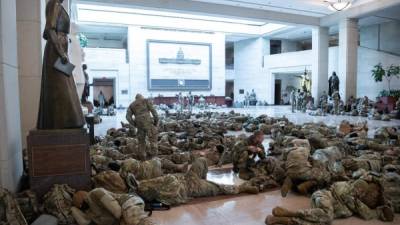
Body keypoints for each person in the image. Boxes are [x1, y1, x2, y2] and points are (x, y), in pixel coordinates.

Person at [37, 0, 85, 129]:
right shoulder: (54, 4)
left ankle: (66, 121)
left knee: (65, 87)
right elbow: (50, 29)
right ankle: (63, 122)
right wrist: (61, 52)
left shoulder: (58, 6)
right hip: (56, 51)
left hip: (59, 49)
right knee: (62, 88)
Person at [126, 94, 159, 160]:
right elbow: (154, 112)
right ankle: (154, 157)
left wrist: (134, 124)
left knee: (141, 141)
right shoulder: (146, 100)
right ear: (142, 97)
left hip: (139, 124)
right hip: (148, 122)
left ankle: (142, 157)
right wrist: (155, 122)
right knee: (153, 139)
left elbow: (128, 117)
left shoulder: (131, 105)